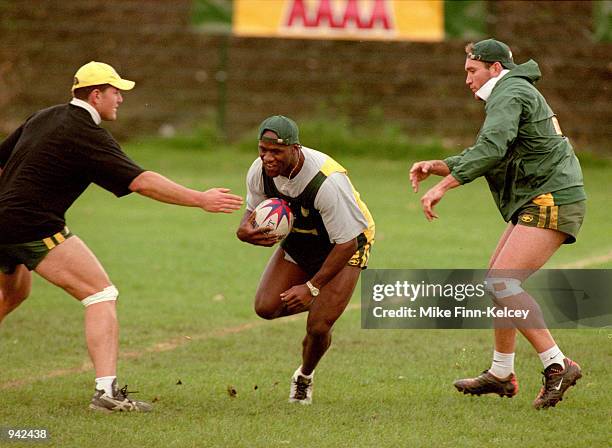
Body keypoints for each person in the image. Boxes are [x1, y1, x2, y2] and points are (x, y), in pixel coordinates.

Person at [0, 61, 243, 412]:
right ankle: (106, 394)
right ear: (96, 95)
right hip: (32, 226)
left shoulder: (44, 115)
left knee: (14, 293)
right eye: (116, 92)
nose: (121, 99)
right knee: (100, 293)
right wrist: (200, 199)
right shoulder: (86, 132)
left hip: (5, 220)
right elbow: (141, 181)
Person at [410, 39, 586, 410]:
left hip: (552, 195)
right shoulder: (511, 91)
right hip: (542, 195)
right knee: (498, 279)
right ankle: (502, 373)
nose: (467, 80)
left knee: (502, 281)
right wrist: (439, 166)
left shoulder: (510, 90)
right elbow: (496, 149)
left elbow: (491, 148)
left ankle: (558, 364)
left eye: (472, 71)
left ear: (495, 68)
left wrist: (443, 185)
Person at [236, 115, 375, 405]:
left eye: (276, 152)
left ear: (295, 149)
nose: (267, 158)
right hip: (303, 236)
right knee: (266, 307)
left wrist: (312, 287)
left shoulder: (325, 181)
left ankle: (304, 376)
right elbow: (251, 212)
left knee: (319, 327)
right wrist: (244, 230)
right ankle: (325, 303)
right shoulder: (259, 171)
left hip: (347, 242)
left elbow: (347, 242)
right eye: (263, 150)